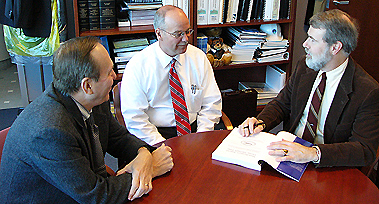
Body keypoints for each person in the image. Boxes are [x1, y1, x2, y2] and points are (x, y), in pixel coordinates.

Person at [0, 36, 173, 203]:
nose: (115, 76)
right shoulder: (50, 132)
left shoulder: (92, 99)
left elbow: (119, 138)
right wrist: (152, 169)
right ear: (88, 85)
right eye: (109, 72)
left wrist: (143, 154)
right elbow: (96, 196)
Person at [239, 9, 379, 167]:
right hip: (288, 156)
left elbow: (364, 150)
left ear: (335, 48)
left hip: (327, 167)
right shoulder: (305, 66)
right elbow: (281, 104)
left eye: (312, 39)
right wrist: (260, 122)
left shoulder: (368, 92)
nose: (304, 44)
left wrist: (313, 153)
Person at [120, 5, 222, 145]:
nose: (186, 39)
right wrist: (162, 146)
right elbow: (135, 118)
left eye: (188, 32)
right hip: (154, 136)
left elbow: (212, 103)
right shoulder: (138, 66)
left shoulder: (198, 57)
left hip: (196, 130)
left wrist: (201, 136)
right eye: (178, 34)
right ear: (159, 34)